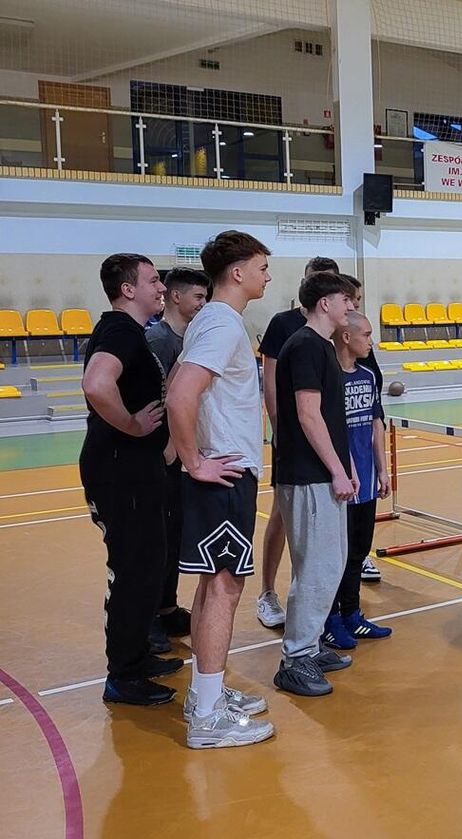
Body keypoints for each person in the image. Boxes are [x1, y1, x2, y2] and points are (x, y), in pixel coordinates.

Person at [166, 230, 275, 748]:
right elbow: (181, 392)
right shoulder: (222, 323)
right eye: (261, 267)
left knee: (214, 587)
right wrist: (195, 462)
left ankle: (205, 692)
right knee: (226, 589)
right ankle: (207, 718)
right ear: (237, 272)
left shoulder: (215, 321)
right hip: (224, 474)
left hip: (225, 470)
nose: (266, 276)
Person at [80, 254, 183, 707]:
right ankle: (123, 674)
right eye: (154, 280)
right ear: (128, 289)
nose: (160, 287)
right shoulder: (120, 330)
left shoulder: (131, 333)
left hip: (136, 466)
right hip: (120, 468)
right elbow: (96, 384)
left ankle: (137, 657)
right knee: (134, 569)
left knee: (148, 564)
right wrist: (134, 426)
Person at [272, 270, 359, 697]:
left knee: (329, 563)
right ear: (324, 302)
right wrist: (337, 471)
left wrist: (346, 465)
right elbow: (308, 415)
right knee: (316, 568)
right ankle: (295, 659)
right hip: (307, 476)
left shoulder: (320, 347)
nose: (351, 307)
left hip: (323, 472)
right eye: (346, 300)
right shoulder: (305, 345)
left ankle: (308, 646)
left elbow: (328, 419)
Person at [255, 256, 339, 628]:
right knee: (282, 515)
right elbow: (272, 382)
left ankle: (316, 618)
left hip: (324, 442)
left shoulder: (335, 329)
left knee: (322, 544)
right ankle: (268, 591)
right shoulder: (288, 327)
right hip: (295, 443)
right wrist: (279, 427)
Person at [145, 266, 209, 655]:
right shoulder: (158, 340)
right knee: (155, 540)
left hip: (184, 455)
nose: (203, 304)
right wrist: (168, 448)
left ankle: (167, 607)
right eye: (197, 298)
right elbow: (161, 398)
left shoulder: (192, 338)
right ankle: (148, 616)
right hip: (162, 457)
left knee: (174, 537)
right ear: (175, 297)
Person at [321, 311, 393, 649]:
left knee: (358, 552)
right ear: (347, 337)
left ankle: (352, 613)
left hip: (366, 482)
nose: (371, 341)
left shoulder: (367, 376)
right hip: (341, 485)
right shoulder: (329, 377)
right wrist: (345, 470)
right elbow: (332, 431)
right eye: (365, 334)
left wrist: (382, 468)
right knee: (338, 555)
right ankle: (330, 619)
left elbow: (376, 424)